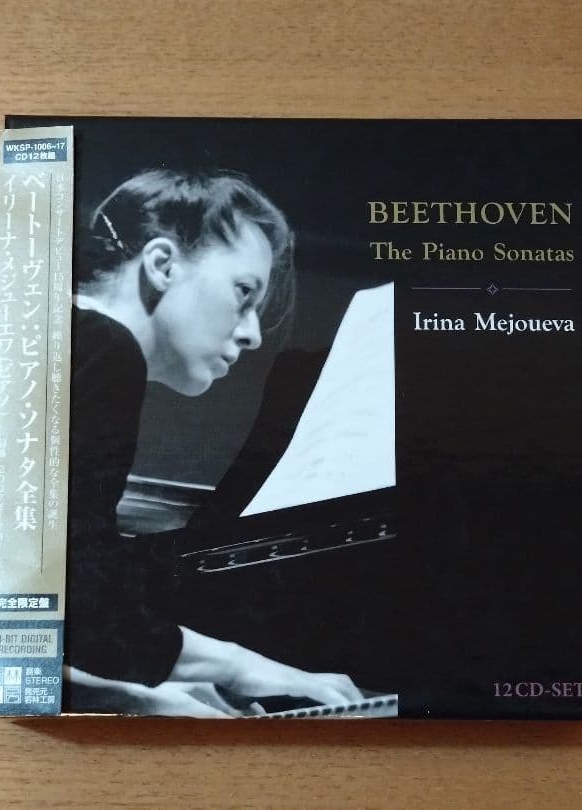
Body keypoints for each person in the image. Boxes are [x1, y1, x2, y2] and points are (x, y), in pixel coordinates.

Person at [64, 168, 362, 716]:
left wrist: (124, 694)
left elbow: (41, 612)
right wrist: (241, 664)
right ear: (162, 264)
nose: (252, 334)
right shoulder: (105, 348)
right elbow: (89, 610)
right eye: (243, 293)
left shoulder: (67, 339)